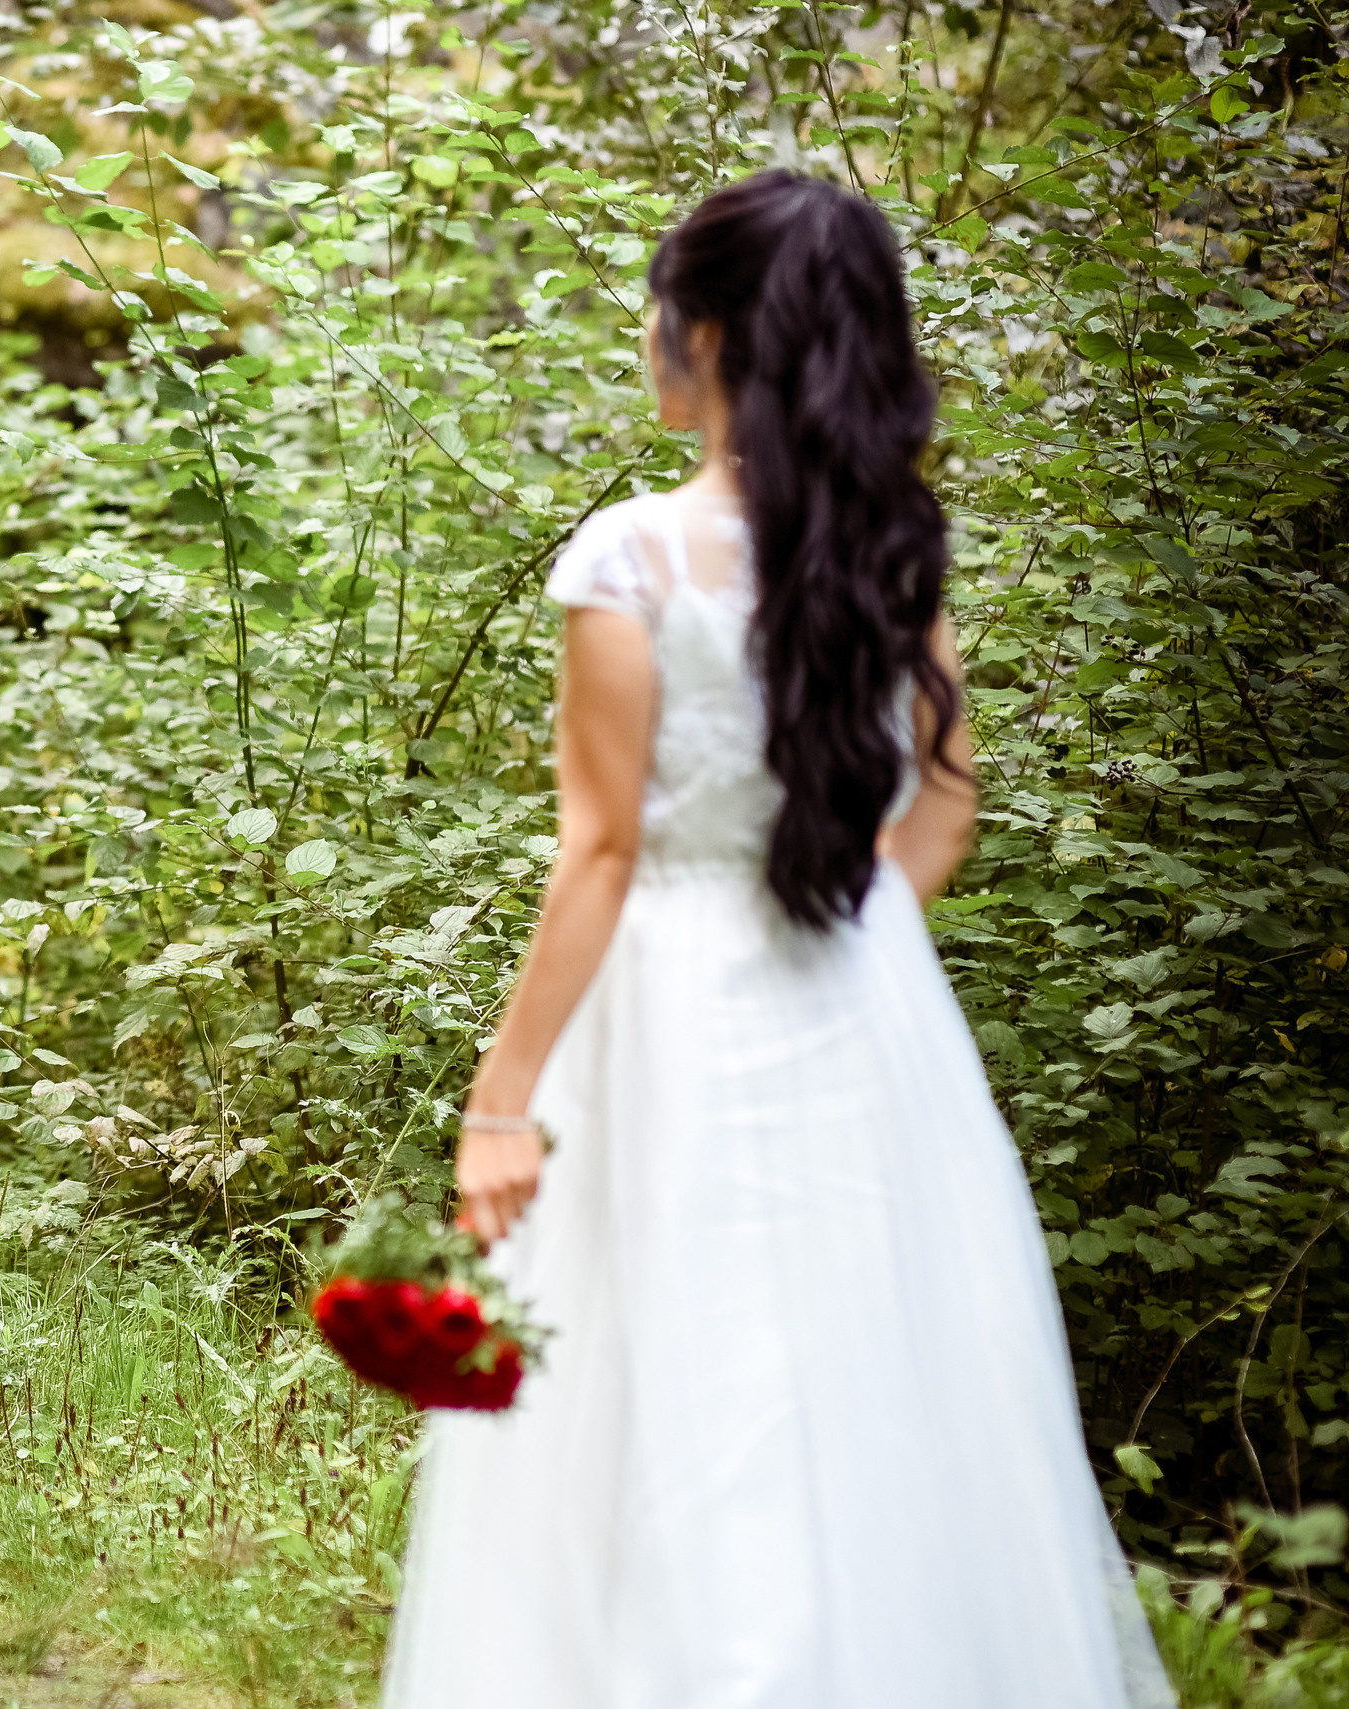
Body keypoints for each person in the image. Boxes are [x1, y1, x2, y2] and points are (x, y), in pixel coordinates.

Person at [385, 172, 1172, 1707]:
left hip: (668, 1007)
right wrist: (853, 938)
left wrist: (501, 1101)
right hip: (864, 1005)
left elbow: (602, 853)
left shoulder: (633, 557)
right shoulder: (896, 546)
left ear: (712, 337)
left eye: (660, 310)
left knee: (672, 1382)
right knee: (869, 1386)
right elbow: (943, 812)